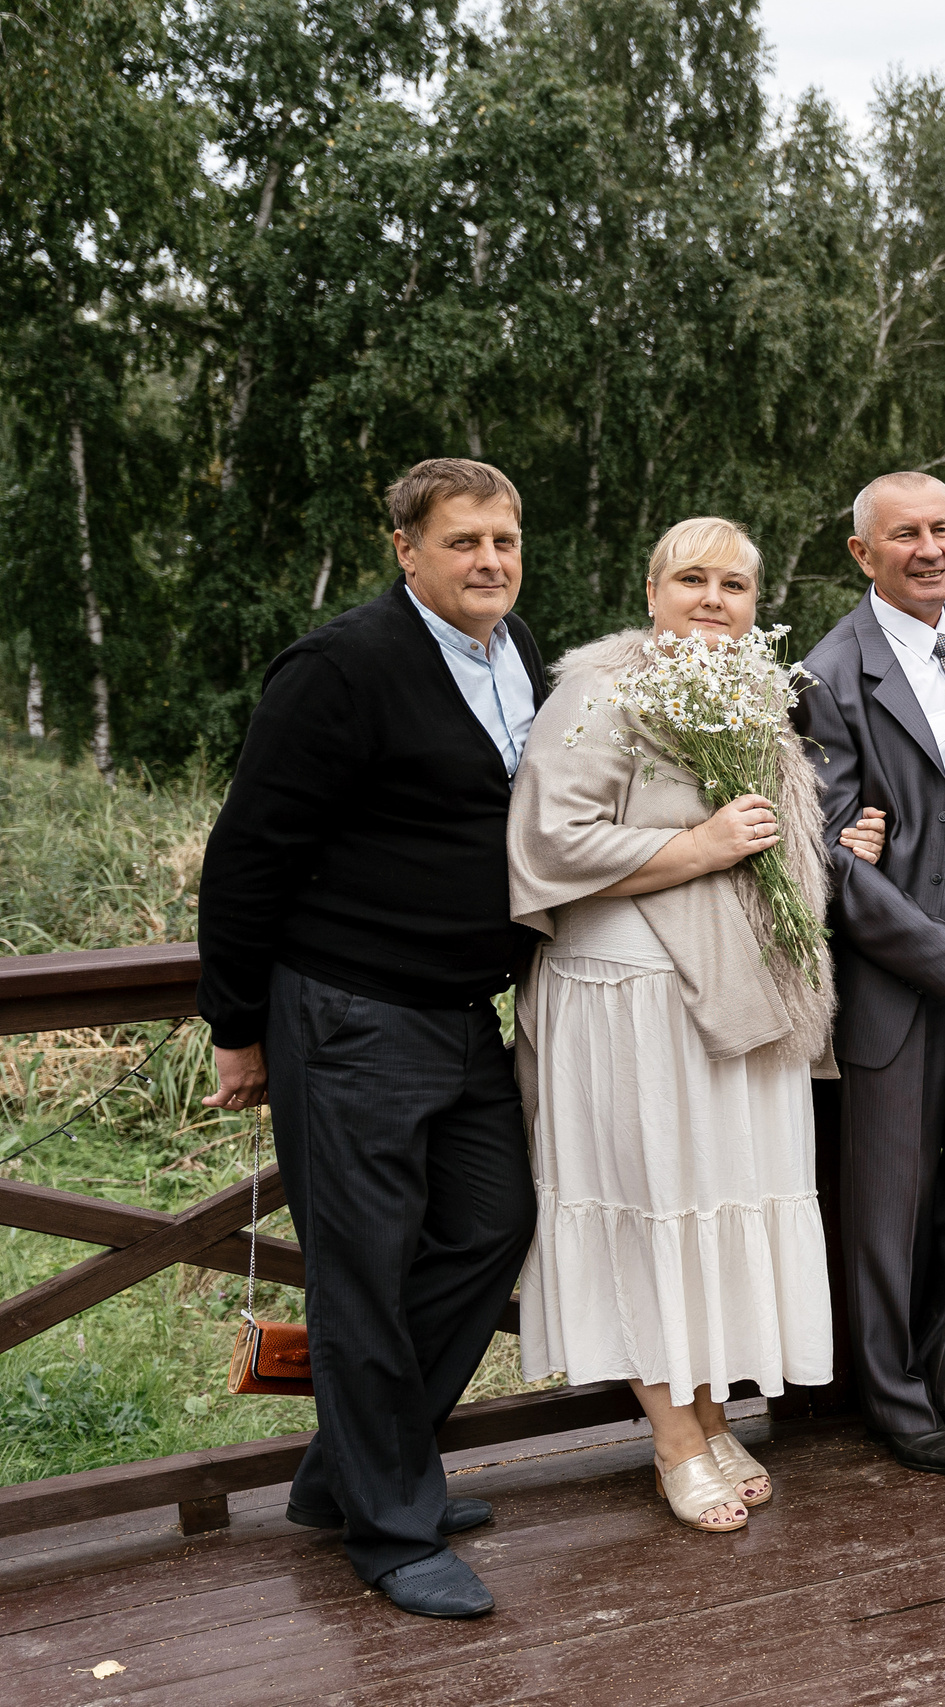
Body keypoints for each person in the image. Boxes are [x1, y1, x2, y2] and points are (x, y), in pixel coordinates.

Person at [195, 457, 545, 1619]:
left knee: (493, 1225)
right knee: (362, 1276)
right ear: (406, 549)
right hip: (347, 1015)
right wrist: (236, 1029)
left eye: (503, 539)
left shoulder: (514, 655)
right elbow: (247, 854)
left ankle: (347, 1470)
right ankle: (391, 1531)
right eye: (463, 542)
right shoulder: (343, 667)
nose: (489, 560)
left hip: (460, 1013)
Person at [508, 517, 869, 1531]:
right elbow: (549, 842)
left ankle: (708, 1413)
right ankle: (671, 1438)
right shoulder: (600, 690)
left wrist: (835, 838)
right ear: (653, 589)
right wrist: (700, 846)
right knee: (650, 1208)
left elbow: (774, 849)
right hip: (626, 998)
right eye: (694, 579)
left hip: (732, 999)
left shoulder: (753, 697)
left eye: (736, 585)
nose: (715, 599)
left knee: (711, 1208)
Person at [794, 471, 945, 1478]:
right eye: (905, 536)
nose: (930, 549)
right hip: (902, 956)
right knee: (887, 1195)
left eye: (944, 528)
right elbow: (829, 864)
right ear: (863, 555)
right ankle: (891, 1398)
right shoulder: (828, 676)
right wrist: (940, 958)